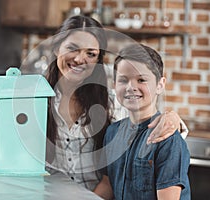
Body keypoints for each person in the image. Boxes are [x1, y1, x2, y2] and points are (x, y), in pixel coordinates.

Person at [44, 15, 188, 192]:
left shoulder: (113, 103)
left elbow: (148, 124)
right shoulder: (35, 99)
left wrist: (173, 119)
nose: (80, 59)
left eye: (91, 54)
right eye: (73, 48)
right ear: (57, 48)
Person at [93, 43, 191, 199]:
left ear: (160, 85)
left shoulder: (168, 140)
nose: (131, 87)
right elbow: (107, 185)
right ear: (114, 85)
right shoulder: (112, 133)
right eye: (123, 80)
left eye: (141, 80)